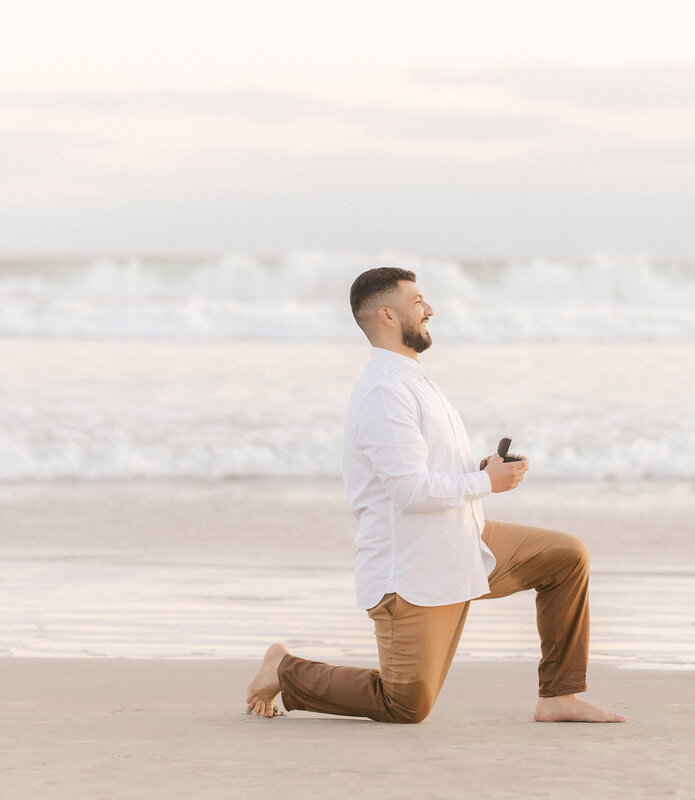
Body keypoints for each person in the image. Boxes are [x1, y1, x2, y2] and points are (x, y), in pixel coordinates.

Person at [245, 267, 625, 724]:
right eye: (418, 300)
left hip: (464, 540)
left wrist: (481, 469)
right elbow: (409, 491)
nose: (429, 309)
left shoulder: (414, 379)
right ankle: (284, 670)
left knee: (566, 557)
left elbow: (428, 471)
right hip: (411, 570)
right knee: (405, 704)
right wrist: (486, 483)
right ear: (388, 314)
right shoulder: (385, 391)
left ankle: (559, 695)